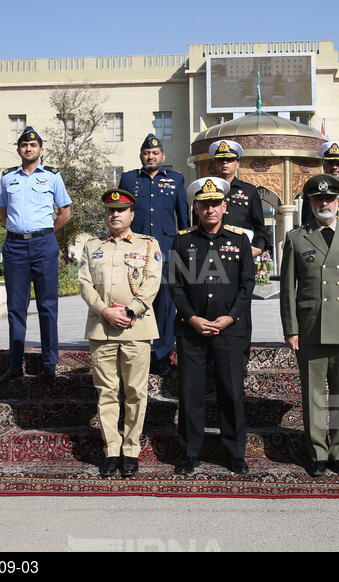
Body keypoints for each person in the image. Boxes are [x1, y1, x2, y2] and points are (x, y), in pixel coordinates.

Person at [280, 173, 339, 478]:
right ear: (309, 203)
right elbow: (287, 290)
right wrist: (291, 329)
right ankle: (317, 453)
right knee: (313, 395)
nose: (324, 203)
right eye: (318, 199)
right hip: (310, 326)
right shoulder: (296, 238)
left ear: (338, 202)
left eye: (330, 198)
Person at [169, 177, 255, 476]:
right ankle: (190, 453)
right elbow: (175, 285)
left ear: (225, 206)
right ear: (196, 208)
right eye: (204, 205)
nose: (210, 210)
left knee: (231, 393)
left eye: (215, 204)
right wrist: (192, 318)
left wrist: (230, 317)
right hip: (191, 330)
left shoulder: (240, 240)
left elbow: (247, 284)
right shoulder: (182, 241)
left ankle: (234, 453)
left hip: (230, 329)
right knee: (190, 394)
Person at [78, 188, 162, 478]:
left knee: (136, 392)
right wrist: (105, 311)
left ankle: (131, 450)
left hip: (136, 328)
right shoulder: (92, 246)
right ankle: (111, 450)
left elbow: (153, 282)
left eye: (121, 210)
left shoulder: (149, 245)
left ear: (132, 214)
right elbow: (84, 284)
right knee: (107, 392)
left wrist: (129, 310)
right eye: (110, 210)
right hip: (102, 329)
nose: (115, 214)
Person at [0, 126, 72, 379]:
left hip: (43, 244)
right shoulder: (8, 177)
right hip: (15, 246)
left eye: (33, 145)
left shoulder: (52, 176)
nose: (28, 149)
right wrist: (18, 231)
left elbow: (65, 213)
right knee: (16, 307)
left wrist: (47, 233)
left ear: (40, 149)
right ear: (19, 149)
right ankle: (15, 365)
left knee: (47, 306)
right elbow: (3, 214)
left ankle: (49, 363)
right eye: (24, 145)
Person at [119, 135, 189, 376]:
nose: (151, 156)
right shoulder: (128, 179)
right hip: (133, 255)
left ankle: (161, 358)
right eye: (147, 153)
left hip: (166, 253)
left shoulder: (176, 179)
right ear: (141, 156)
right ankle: (133, 357)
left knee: (166, 308)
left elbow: (184, 220)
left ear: (163, 157)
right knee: (133, 305)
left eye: (155, 153)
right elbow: (120, 215)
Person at [200, 139, 271, 257]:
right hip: (210, 249)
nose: (224, 163)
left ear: (237, 164)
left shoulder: (249, 191)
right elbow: (198, 223)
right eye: (220, 160)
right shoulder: (203, 190)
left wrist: (258, 248)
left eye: (229, 160)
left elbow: (259, 226)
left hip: (241, 249)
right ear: (215, 164)